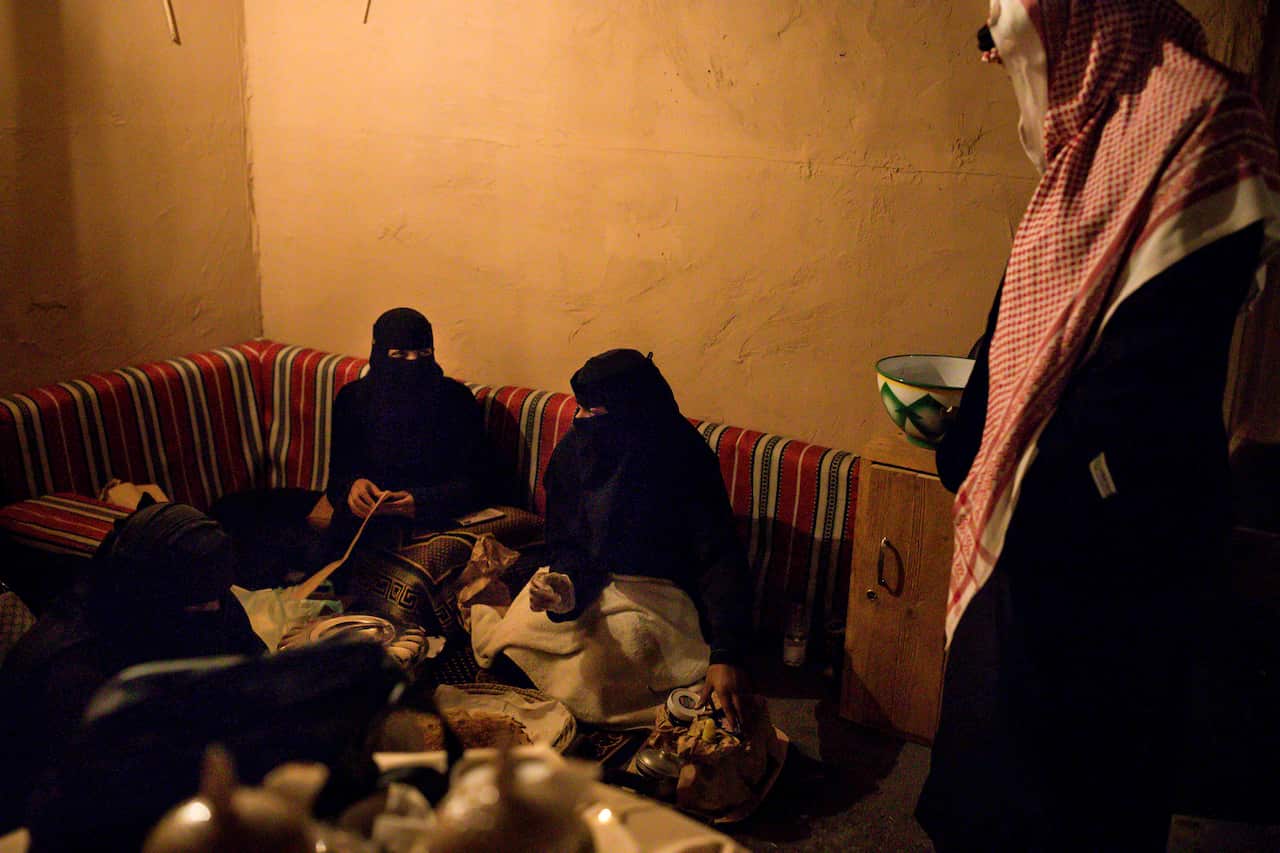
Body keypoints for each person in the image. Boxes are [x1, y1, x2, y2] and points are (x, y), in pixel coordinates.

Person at [917, 2, 1280, 850]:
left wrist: (1030, 478)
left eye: (1002, 40)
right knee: (989, 779)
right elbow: (1024, 323)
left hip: (1105, 543)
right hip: (1038, 523)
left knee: (1070, 797)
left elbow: (1144, 385)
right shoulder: (1097, 144)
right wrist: (970, 433)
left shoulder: (1197, 123)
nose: (996, 64)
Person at [471, 350, 754, 729]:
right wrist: (563, 586)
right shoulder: (576, 450)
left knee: (610, 662)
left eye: (595, 413)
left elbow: (718, 555)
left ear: (631, 412)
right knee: (515, 643)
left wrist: (726, 653)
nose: (581, 421)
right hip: (589, 582)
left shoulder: (681, 455)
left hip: (658, 593)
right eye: (580, 409)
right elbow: (567, 542)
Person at [0, 500, 265, 833]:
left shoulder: (206, 601)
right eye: (198, 603)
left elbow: (256, 669)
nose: (215, 608)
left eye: (219, 595)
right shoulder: (70, 668)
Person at [324, 307, 499, 550]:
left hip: (434, 525)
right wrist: (353, 489)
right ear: (379, 353)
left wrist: (421, 501)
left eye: (423, 353)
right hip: (366, 528)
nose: (413, 363)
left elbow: (482, 483)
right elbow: (336, 479)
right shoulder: (353, 400)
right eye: (399, 355)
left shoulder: (455, 400)